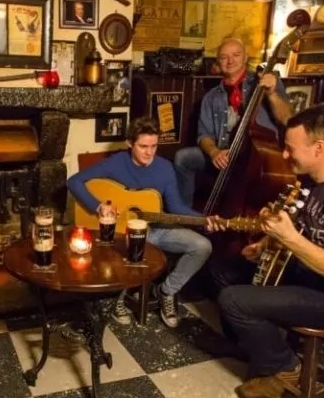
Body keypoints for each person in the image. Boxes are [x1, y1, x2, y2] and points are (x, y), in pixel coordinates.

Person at [213, 104, 324, 398]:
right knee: (220, 269)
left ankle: (283, 368)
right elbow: (304, 234)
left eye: (289, 148)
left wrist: (289, 238)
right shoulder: (312, 184)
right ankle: (254, 344)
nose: (284, 155)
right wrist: (266, 246)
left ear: (319, 148)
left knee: (234, 300)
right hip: (309, 275)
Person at [68, 117, 223, 328]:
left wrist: (204, 220)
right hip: (126, 233)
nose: (149, 153)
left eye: (154, 146)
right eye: (143, 146)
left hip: (157, 230)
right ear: (130, 143)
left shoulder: (165, 168)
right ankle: (117, 300)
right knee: (132, 244)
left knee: (203, 246)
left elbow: (176, 207)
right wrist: (98, 206)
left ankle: (166, 292)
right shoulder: (116, 163)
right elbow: (74, 181)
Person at [173, 38, 292, 207]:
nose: (230, 61)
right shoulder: (211, 97)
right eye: (224, 57)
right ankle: (183, 214)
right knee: (183, 157)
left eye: (236, 55)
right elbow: (204, 135)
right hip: (223, 154)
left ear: (245, 57)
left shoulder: (265, 81)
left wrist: (272, 93)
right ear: (218, 62)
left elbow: (286, 118)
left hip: (257, 155)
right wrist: (214, 152)